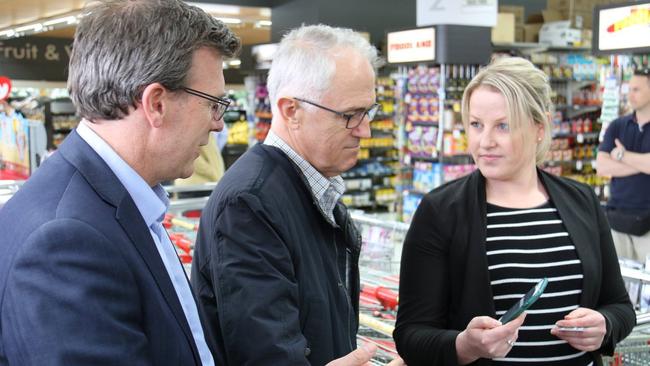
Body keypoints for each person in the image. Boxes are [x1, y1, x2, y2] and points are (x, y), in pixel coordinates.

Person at [0, 1, 240, 365]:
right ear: (156, 103)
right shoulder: (67, 242)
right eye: (213, 103)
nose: (218, 123)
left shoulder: (114, 202)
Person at [394, 57, 635, 366]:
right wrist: (464, 345)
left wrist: (605, 326)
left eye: (503, 126)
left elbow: (619, 306)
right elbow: (411, 335)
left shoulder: (582, 200)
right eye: (476, 124)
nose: (486, 141)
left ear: (539, 127)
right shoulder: (440, 211)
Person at [191, 24, 402, 366]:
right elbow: (265, 355)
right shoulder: (249, 204)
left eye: (369, 111)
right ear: (291, 111)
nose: (365, 130)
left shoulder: (311, 186)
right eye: (351, 115)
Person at [597, 67, 650, 262]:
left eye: (636, 89)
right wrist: (643, 163)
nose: (630, 94)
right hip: (616, 220)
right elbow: (602, 167)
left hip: (648, 225)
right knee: (619, 284)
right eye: (629, 89)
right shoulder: (617, 125)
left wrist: (621, 155)